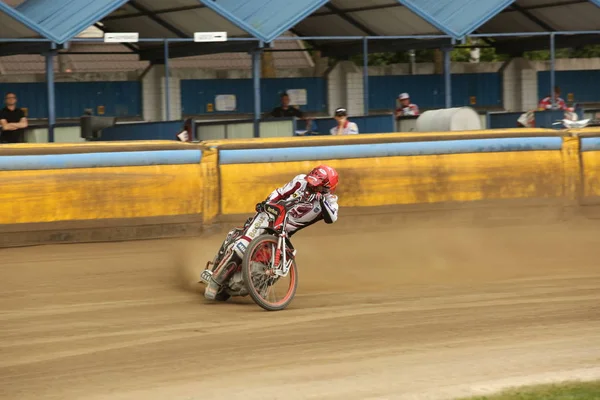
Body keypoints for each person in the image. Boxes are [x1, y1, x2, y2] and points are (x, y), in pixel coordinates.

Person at [204, 165, 339, 300]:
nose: (311, 186)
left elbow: (331, 218)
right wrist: (267, 203)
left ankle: (259, 285)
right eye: (311, 182)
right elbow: (280, 192)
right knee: (242, 247)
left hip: (283, 233)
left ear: (327, 188)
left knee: (271, 262)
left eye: (316, 185)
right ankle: (215, 281)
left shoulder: (331, 203)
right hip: (268, 216)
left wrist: (322, 198)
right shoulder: (300, 180)